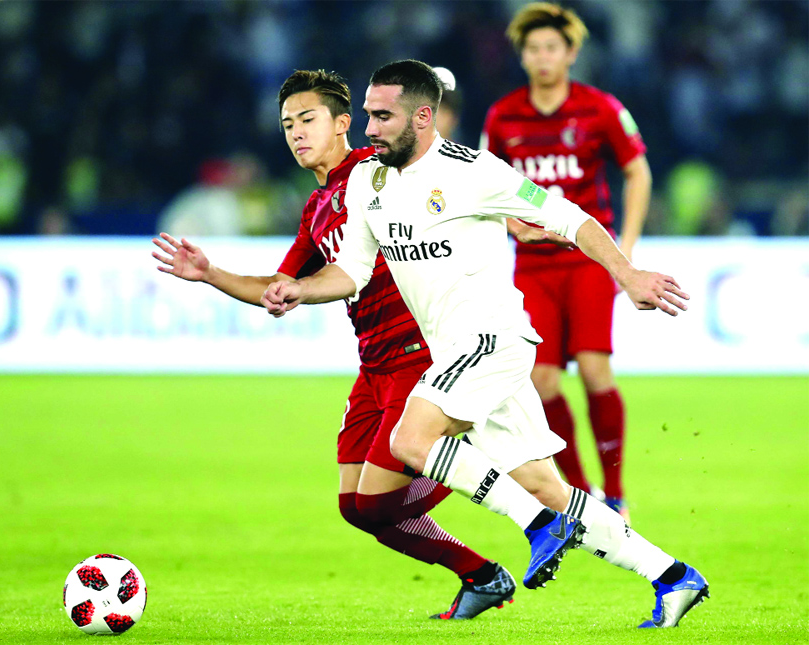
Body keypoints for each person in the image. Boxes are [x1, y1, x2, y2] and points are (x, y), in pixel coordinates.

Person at [263, 60, 709, 629]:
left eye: (382, 117)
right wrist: (299, 288)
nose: (369, 130)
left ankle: (536, 527)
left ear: (422, 118)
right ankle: (673, 577)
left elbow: (568, 218)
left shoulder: (472, 170)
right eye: (369, 116)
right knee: (548, 484)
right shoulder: (369, 184)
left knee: (411, 437)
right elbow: (349, 273)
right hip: (458, 355)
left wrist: (628, 274)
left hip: (491, 341)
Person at [152, 69, 517, 620]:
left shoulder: (377, 175)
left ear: (344, 123)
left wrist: (513, 216)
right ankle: (483, 574)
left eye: (307, 120)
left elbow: (444, 182)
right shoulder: (316, 208)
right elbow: (282, 288)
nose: (296, 133)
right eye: (287, 125)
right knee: (356, 508)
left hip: (421, 358)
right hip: (373, 368)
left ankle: (487, 460)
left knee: (377, 501)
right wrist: (211, 274)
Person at [481, 3, 653, 522]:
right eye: (533, 49)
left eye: (551, 48)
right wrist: (513, 226)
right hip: (533, 266)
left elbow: (638, 172)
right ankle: (581, 495)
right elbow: (485, 189)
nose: (542, 57)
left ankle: (617, 491)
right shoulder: (503, 115)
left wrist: (625, 249)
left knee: (597, 369)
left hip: (586, 261)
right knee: (544, 383)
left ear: (571, 53)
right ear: (523, 55)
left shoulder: (600, 108)